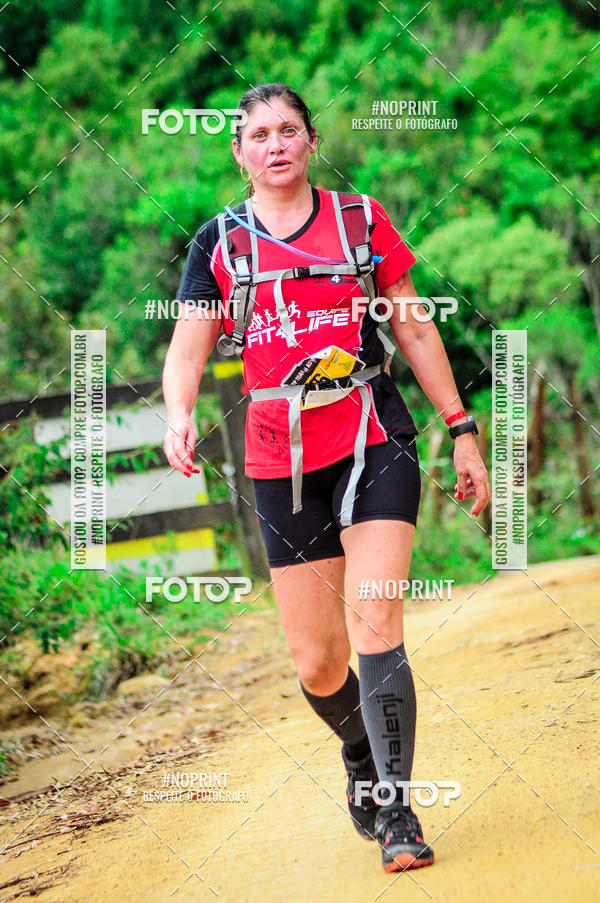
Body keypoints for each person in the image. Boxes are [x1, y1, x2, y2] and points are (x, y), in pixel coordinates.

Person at [162, 82, 490, 873]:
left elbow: (410, 322)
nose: (275, 143)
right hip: (280, 452)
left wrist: (462, 428)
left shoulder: (359, 219)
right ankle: (359, 751)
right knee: (317, 659)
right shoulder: (222, 241)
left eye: (289, 129)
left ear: (310, 142)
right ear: (239, 153)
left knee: (377, 622)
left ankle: (398, 808)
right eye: (258, 134)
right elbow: (187, 347)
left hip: (374, 431)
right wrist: (179, 415)